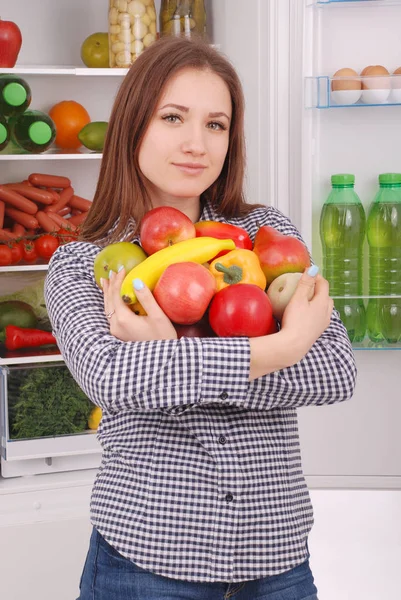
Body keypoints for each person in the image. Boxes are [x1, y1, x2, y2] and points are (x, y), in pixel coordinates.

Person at [44, 35, 357, 600]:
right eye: (173, 117)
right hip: (149, 564)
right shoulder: (81, 263)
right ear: (133, 125)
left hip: (278, 560)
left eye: (216, 124)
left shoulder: (269, 235)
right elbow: (114, 379)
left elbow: (334, 371)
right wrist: (281, 351)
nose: (196, 144)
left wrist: (167, 354)